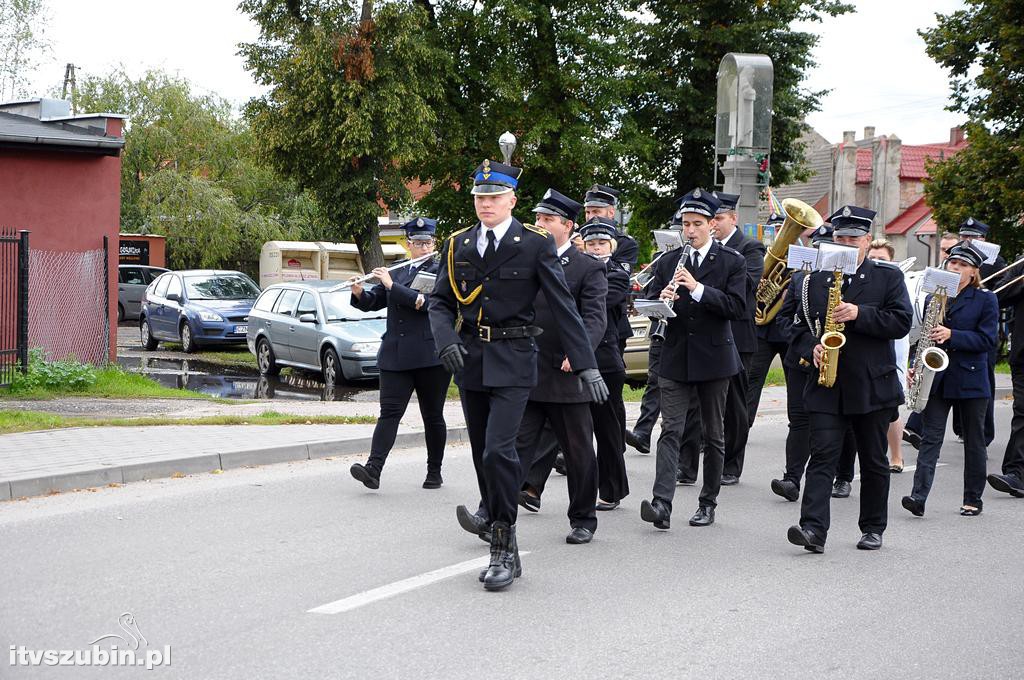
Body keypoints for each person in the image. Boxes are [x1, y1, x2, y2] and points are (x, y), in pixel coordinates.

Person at [428, 159, 608, 591]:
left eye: (493, 197)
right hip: (471, 361)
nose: (485, 204)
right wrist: (445, 341)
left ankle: (503, 547)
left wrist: (585, 364)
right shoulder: (459, 244)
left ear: (512, 200)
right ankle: (497, 523)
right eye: (479, 197)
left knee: (498, 453)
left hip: (514, 359)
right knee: (481, 456)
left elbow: (564, 307)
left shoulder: (534, 244)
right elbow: (439, 302)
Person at [786, 205, 912, 553]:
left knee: (873, 460)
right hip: (827, 385)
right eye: (839, 238)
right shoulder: (812, 280)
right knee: (822, 457)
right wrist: (810, 346)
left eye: (852, 239)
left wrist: (861, 313)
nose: (845, 243)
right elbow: (796, 327)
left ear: (867, 241)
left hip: (871, 385)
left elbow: (901, 322)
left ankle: (872, 527)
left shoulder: (887, 277)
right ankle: (813, 530)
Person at [637, 189, 746, 530]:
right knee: (670, 430)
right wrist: (661, 300)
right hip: (675, 355)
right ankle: (662, 503)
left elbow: (737, 308)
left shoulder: (732, 261)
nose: (691, 230)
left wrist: (697, 289)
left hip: (714, 359)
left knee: (713, 434)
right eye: (686, 224)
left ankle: (707, 502)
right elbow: (651, 301)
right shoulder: (668, 261)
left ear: (713, 225)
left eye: (698, 224)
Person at [515, 189, 607, 544]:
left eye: (547, 219)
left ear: (567, 226)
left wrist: (579, 355)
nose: (539, 224)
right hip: (530, 370)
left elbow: (594, 320)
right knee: (515, 448)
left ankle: (583, 518)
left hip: (568, 374)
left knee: (579, 453)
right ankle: (492, 511)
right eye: (538, 218)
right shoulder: (527, 261)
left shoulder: (589, 268)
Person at [348, 217, 448, 490]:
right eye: (418, 243)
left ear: (434, 243)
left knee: (433, 415)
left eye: (427, 242)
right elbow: (374, 302)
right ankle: (373, 469)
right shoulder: (397, 270)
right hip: (396, 354)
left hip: (430, 356)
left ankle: (434, 471)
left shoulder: (439, 271)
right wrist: (359, 292)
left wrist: (392, 285)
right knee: (389, 413)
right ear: (409, 245)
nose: (424, 248)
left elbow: (424, 303)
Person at [902, 241, 998, 517]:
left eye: (963, 265)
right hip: (938, 378)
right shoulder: (936, 297)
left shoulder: (985, 299)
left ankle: (972, 499)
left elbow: (989, 339)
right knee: (930, 439)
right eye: (953, 263)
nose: (955, 267)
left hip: (971, 380)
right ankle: (918, 497)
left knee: (974, 441)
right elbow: (925, 339)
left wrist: (953, 335)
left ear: (973, 272)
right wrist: (916, 367)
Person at [677, 191, 764, 485]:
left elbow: (747, 287)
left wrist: (704, 282)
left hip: (737, 334)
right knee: (692, 406)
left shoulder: (749, 248)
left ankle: (731, 464)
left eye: (721, 218)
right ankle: (687, 466)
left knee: (734, 404)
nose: (696, 229)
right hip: (700, 335)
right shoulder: (687, 250)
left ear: (726, 220)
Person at [581, 217, 631, 510]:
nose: (596, 248)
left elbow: (596, 303)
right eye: (591, 243)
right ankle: (531, 485)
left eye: (601, 243)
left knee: (607, 429)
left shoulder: (617, 274)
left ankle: (612, 489)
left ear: (611, 246)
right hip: (576, 357)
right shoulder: (576, 269)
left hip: (605, 359)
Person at [904, 231, 961, 450]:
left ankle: (978, 434)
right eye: (944, 251)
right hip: (934, 346)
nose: (946, 256)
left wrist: (952, 333)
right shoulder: (936, 274)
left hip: (962, 354)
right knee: (929, 386)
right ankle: (916, 426)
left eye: (950, 251)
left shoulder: (971, 280)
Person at [868, 238, 910, 473]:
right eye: (872, 258)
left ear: (892, 261)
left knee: (891, 406)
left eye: (881, 259)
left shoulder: (895, 280)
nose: (876, 262)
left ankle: (896, 455)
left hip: (893, 346)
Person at [583, 184, 638, 352]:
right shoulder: (578, 237)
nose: (591, 216)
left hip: (612, 321)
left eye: (596, 212)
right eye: (588, 212)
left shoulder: (625, 243)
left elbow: (617, 280)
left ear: (611, 212)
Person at [988, 251, 1024, 498]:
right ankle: (1017, 474)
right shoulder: (1021, 263)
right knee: (1022, 412)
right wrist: (1021, 281)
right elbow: (997, 297)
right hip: (1023, 353)